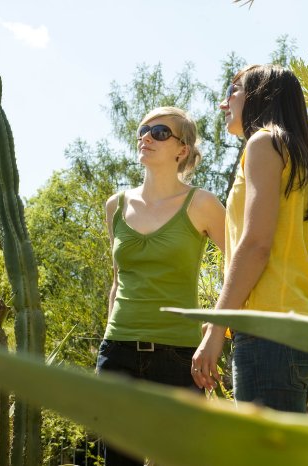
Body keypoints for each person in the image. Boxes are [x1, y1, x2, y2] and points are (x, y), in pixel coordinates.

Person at [191, 64, 308, 413]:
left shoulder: (263, 143)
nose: (224, 103)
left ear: (259, 95)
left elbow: (255, 246)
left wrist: (215, 328)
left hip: (269, 333)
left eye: (233, 90)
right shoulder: (292, 150)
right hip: (300, 334)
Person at [96, 106, 225, 465]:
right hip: (117, 354)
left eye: (160, 132)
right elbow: (118, 279)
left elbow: (243, 265)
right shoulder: (116, 206)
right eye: (143, 130)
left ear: (181, 150)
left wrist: (215, 332)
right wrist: (108, 339)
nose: (147, 137)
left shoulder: (201, 203)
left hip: (179, 357)